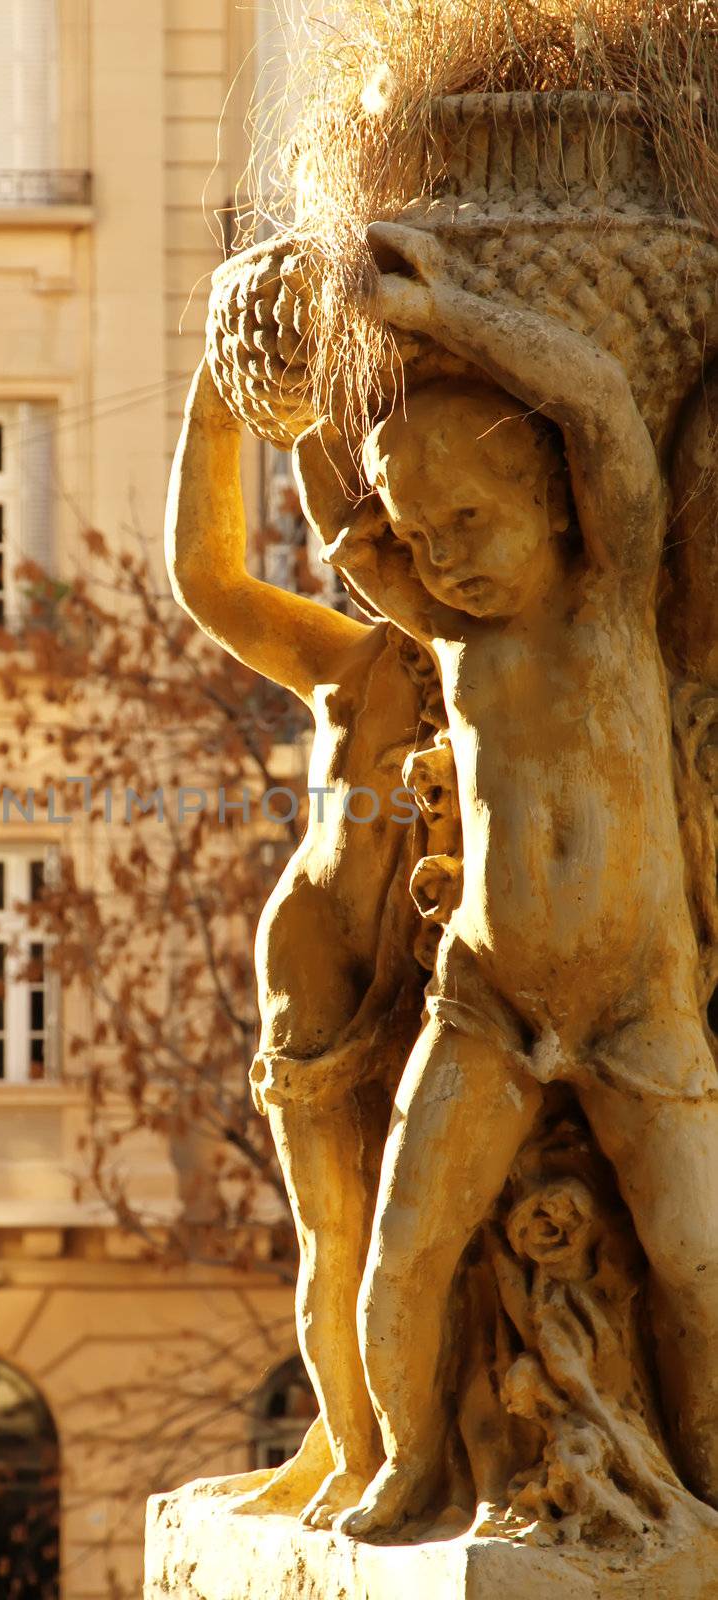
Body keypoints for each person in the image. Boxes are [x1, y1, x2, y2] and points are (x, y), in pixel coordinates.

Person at [295, 218, 718, 1535]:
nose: (446, 559)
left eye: (469, 521)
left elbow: (594, 405)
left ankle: (703, 1477)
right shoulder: (449, 630)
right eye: (420, 541)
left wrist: (433, 321)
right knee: (401, 1256)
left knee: (698, 1268)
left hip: (633, 1005)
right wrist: (316, 354)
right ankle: (405, 1464)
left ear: (545, 495)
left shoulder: (605, 597)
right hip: (480, 997)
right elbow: (330, 501)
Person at [166, 359, 426, 1527]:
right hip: (320, 957)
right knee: (337, 1223)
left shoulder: (526, 669)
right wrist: (215, 403)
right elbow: (208, 577)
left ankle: (417, 1443)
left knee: (423, 1224)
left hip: (445, 961)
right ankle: (355, 1450)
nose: (369, 557)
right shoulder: (349, 662)